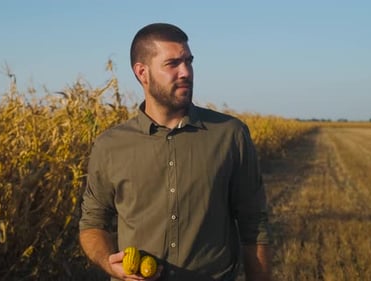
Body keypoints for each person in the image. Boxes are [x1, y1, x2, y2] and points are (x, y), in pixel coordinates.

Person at [79, 23, 272, 281]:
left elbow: (254, 224)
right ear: (142, 73)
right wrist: (107, 262)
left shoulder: (230, 135)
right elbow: (92, 223)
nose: (186, 72)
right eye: (172, 64)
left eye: (189, 62)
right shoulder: (110, 145)